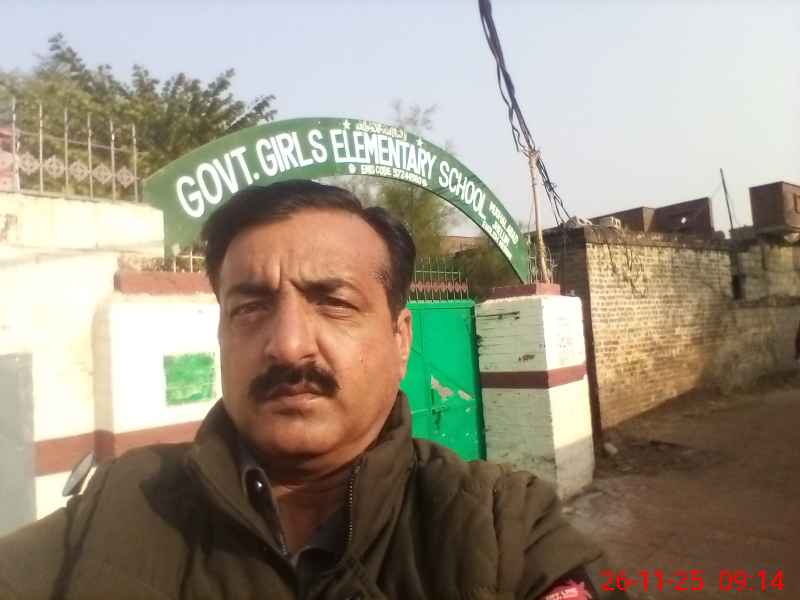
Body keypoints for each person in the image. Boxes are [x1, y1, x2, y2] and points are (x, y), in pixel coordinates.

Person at [0, 180, 627, 599]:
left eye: (333, 302)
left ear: (400, 337)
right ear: (221, 333)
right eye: (250, 307)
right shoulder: (116, 511)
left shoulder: (499, 528)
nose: (288, 344)